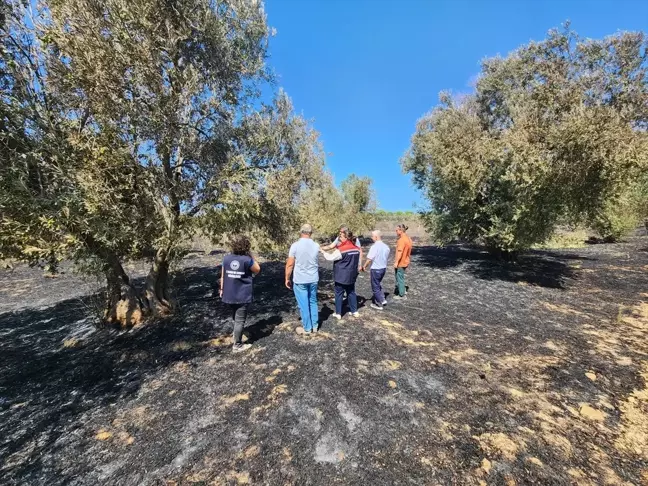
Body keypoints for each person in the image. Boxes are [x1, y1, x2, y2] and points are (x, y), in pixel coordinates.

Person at [220, 235, 261, 353]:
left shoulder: (226, 259)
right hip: (242, 294)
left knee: (235, 316)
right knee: (240, 320)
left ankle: (236, 334)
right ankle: (237, 345)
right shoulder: (247, 260)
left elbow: (222, 276)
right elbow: (257, 269)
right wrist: (251, 255)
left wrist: (222, 289)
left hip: (228, 294)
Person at [285, 224, 320, 333]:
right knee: (313, 301)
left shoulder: (295, 245)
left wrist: (287, 278)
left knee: (303, 304)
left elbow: (290, 264)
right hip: (313, 278)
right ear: (311, 233)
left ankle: (307, 328)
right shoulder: (316, 245)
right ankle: (315, 325)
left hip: (300, 279)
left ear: (301, 232)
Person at [330, 229, 361, 319]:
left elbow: (330, 257)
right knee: (351, 292)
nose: (339, 238)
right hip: (351, 274)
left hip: (341, 275)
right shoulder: (356, 248)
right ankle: (354, 311)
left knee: (339, 293)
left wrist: (323, 252)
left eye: (341, 236)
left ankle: (338, 313)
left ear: (346, 237)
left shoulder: (341, 249)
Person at [362, 230, 390, 310]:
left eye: (372, 236)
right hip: (383, 268)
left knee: (375, 287)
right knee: (378, 284)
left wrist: (364, 266)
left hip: (376, 269)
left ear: (376, 237)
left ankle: (380, 302)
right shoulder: (386, 247)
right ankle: (381, 298)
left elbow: (369, 259)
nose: (371, 238)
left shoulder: (374, 247)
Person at [393, 224, 412, 300]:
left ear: (400, 230)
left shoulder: (401, 240)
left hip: (401, 262)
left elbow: (400, 252)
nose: (396, 231)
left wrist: (396, 262)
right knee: (401, 277)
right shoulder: (408, 238)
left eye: (396, 230)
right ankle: (402, 290)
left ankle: (401, 295)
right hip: (406, 261)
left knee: (399, 277)